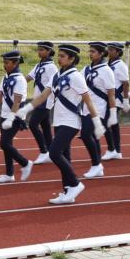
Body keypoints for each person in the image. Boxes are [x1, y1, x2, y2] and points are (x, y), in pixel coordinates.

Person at [17, 44, 103, 204]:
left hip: (71, 121)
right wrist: (26, 109)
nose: (59, 58)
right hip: (58, 120)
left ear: (72, 59)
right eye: (59, 55)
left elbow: (88, 100)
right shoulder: (57, 74)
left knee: (54, 153)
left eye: (63, 56)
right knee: (65, 156)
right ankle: (67, 191)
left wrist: (97, 122)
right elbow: (44, 95)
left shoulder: (76, 77)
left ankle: (75, 184)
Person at [0, 50, 32, 183]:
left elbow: (17, 101)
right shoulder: (5, 78)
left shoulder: (20, 80)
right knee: (7, 144)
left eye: (7, 62)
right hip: (4, 115)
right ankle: (10, 174)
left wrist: (11, 118)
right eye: (4, 62)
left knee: (4, 143)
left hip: (15, 117)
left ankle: (25, 163)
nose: (4, 65)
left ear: (15, 63)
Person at [79, 42, 116, 178]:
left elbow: (111, 94)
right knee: (93, 137)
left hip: (100, 109)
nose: (90, 54)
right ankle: (97, 166)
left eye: (93, 51)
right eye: (90, 51)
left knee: (85, 135)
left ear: (101, 54)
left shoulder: (106, 71)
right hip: (86, 108)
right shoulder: (87, 69)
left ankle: (96, 165)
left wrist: (113, 114)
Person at [26, 41, 57, 165]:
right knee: (45, 126)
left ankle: (44, 151)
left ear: (49, 51)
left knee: (33, 124)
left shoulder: (52, 67)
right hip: (38, 100)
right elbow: (28, 77)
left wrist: (49, 99)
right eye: (38, 49)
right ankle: (51, 152)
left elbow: (54, 85)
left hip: (45, 101)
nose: (39, 52)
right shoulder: (39, 65)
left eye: (42, 50)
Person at [103, 42, 130, 160]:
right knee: (113, 124)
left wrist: (126, 100)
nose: (108, 51)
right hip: (107, 98)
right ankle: (117, 151)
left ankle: (112, 149)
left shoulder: (121, 65)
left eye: (111, 50)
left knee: (106, 122)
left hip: (116, 98)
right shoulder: (107, 64)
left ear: (118, 52)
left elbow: (125, 83)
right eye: (108, 49)